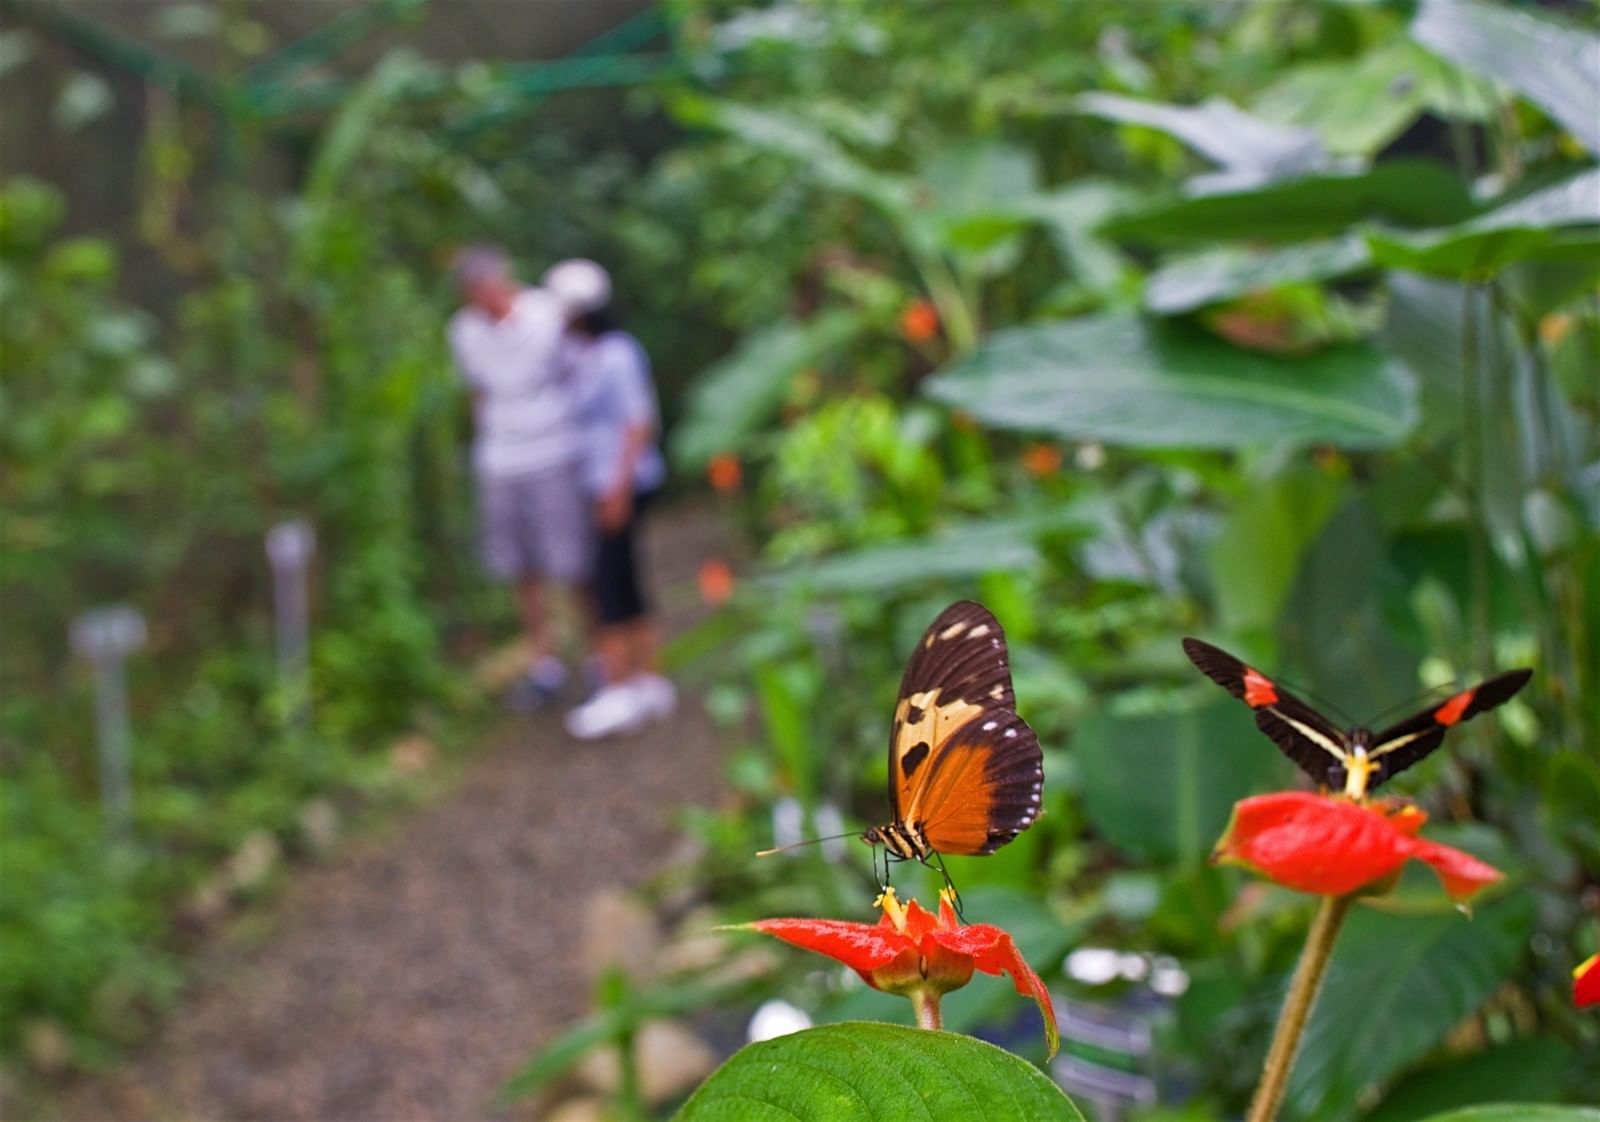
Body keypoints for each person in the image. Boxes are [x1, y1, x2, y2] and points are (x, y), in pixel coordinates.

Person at [448, 245, 590, 709]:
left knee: (571, 560)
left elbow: (579, 373)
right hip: (501, 459)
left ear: (503, 280)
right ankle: (544, 663)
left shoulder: (546, 315)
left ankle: (597, 655)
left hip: (553, 449)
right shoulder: (464, 332)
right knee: (521, 566)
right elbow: (477, 393)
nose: (481, 299)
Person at [543, 259, 676, 739]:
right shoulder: (583, 354)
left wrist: (617, 489)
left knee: (608, 582)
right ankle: (648, 677)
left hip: (620, 484)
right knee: (625, 577)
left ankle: (618, 686)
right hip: (601, 483)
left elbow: (637, 423)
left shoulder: (618, 354)